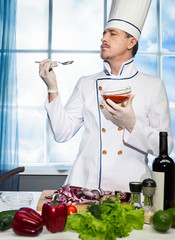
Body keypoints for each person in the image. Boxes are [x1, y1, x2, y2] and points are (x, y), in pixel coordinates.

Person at [39, 0, 173, 192]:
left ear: (131, 42)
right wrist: (52, 88)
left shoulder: (153, 86)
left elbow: (165, 147)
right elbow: (62, 133)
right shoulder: (86, 83)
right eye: (104, 33)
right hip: (85, 186)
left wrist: (131, 123)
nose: (104, 38)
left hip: (129, 188)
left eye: (112, 33)